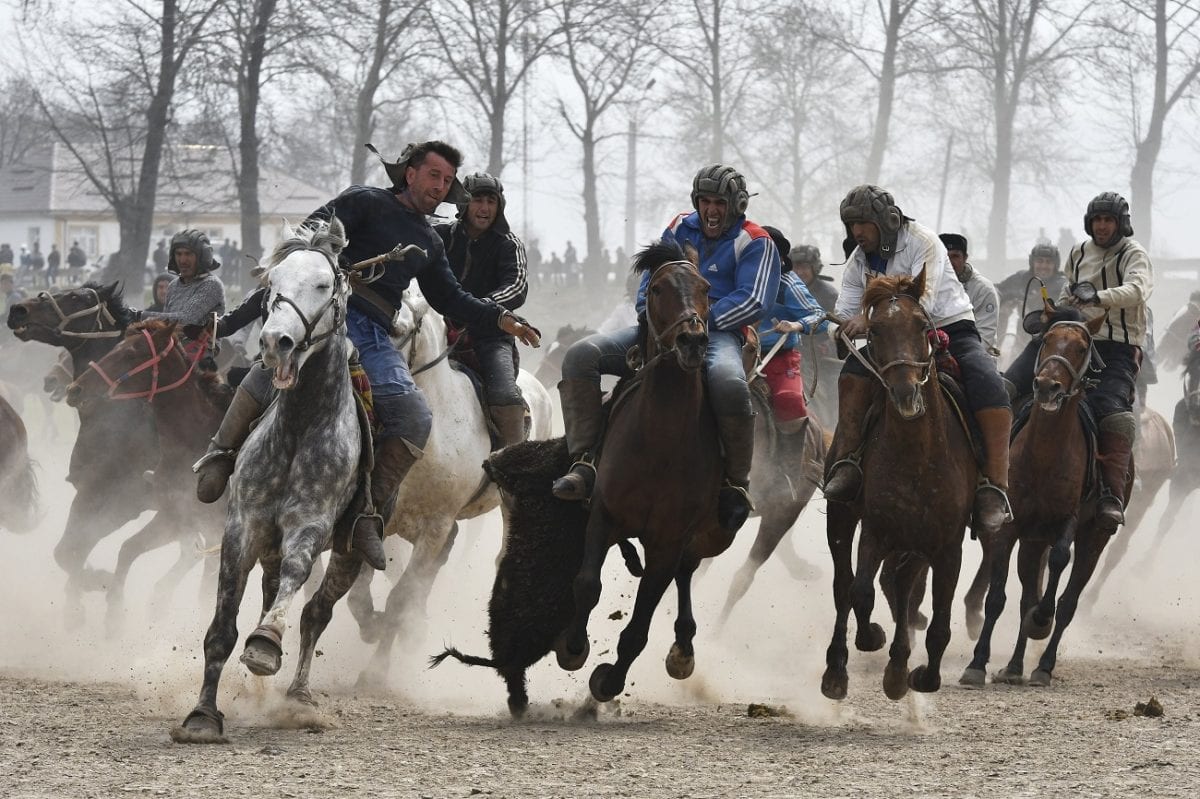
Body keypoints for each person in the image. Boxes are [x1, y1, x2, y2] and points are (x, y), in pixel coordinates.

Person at [193, 140, 540, 571]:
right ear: (409, 173)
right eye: (434, 175)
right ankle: (221, 454)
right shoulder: (363, 201)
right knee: (274, 366)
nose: (440, 186)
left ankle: (366, 515)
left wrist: (501, 318)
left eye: (447, 181)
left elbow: (453, 297)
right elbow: (310, 233)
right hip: (326, 313)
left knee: (415, 416)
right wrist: (316, 257)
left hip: (375, 332)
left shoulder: (430, 241)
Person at [552, 163, 780, 533]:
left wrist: (697, 319)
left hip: (718, 334)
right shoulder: (679, 227)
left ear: (736, 205)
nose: (710, 210)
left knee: (729, 383)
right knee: (580, 356)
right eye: (704, 201)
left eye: (719, 202)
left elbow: (754, 299)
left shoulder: (756, 242)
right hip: (662, 328)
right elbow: (651, 278)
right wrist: (653, 315)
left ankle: (736, 484)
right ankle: (583, 463)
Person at [824, 185, 1012, 534]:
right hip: (891, 337)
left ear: (885, 220)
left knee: (990, 384)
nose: (856, 234)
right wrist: (844, 328)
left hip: (951, 328)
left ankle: (993, 487)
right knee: (851, 374)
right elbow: (847, 309)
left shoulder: (924, 241)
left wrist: (866, 319)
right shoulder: (858, 260)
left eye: (862, 224)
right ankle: (848, 462)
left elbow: (920, 300)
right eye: (851, 226)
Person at [1003, 192, 1153, 534]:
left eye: (1108, 220)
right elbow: (1071, 293)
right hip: (1071, 338)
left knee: (1113, 413)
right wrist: (1050, 314)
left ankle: (1110, 495)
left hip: (1116, 347)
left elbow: (1137, 290)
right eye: (1097, 220)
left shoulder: (1135, 255)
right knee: (1008, 385)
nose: (1101, 226)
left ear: (1121, 224)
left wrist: (1098, 297)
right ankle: (988, 476)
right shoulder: (1079, 251)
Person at [434, 171, 530, 448]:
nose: (485, 208)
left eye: (491, 201)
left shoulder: (508, 244)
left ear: (499, 207)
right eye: (477, 200)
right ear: (463, 204)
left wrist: (481, 308)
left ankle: (513, 466)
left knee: (506, 395)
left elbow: (517, 287)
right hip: (436, 327)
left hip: (491, 335)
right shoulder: (438, 236)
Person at [760, 226, 829, 432]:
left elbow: (822, 318)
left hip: (784, 357)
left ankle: (792, 461)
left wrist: (795, 326)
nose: (800, 271)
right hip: (738, 354)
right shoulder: (733, 277)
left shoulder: (788, 283)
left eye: (804, 266)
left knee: (791, 399)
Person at [140, 230, 226, 330]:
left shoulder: (211, 284)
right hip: (170, 344)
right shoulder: (173, 285)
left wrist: (140, 315)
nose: (182, 260)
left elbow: (187, 319)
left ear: (202, 256)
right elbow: (164, 325)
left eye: (188, 254)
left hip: (202, 345)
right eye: (178, 254)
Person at [995, 242, 1066, 353]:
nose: (1043, 266)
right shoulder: (1021, 279)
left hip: (1052, 341)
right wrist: (1004, 305)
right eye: (1039, 261)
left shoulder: (1062, 285)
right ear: (1032, 262)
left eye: (1048, 262)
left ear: (1055, 265)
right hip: (1021, 339)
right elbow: (997, 291)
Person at [939, 233, 1001, 357]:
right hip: (933, 354)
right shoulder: (927, 285)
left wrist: (952, 357)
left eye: (955, 256)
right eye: (945, 256)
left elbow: (985, 335)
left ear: (965, 257)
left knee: (987, 377)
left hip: (973, 354)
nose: (950, 262)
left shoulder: (983, 289)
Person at [789, 244, 838, 313]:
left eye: (804, 267)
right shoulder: (784, 289)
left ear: (815, 269)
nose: (799, 272)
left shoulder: (828, 296)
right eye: (796, 267)